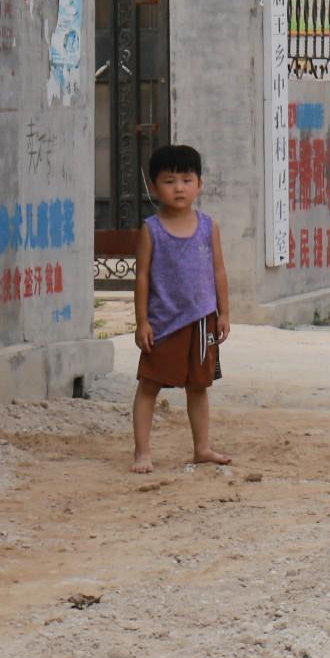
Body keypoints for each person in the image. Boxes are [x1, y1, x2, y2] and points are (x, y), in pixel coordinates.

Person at [131, 144, 231, 473]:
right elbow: (142, 277)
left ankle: (202, 448)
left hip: (203, 320)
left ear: (199, 184)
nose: (179, 188)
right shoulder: (152, 230)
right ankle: (142, 452)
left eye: (187, 180)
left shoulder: (208, 226)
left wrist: (224, 313)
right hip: (163, 323)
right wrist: (142, 321)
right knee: (149, 386)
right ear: (153, 186)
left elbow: (218, 270)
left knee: (199, 387)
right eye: (169, 180)